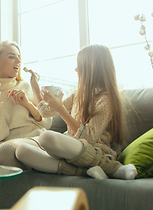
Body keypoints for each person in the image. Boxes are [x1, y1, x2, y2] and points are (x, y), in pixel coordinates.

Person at [15, 44, 137, 180]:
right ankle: (84, 171)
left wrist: (61, 109)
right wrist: (35, 87)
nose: (76, 69)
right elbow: (44, 112)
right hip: (69, 151)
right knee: (22, 151)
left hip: (92, 150)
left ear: (91, 68)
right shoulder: (76, 96)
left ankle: (111, 168)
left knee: (46, 138)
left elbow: (87, 138)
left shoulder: (106, 99)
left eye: (79, 65)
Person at [0, 40, 51, 169]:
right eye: (12, 57)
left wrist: (28, 104)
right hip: (1, 142)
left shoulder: (25, 86)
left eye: (19, 58)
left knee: (7, 151)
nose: (18, 62)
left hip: (33, 138)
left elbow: (47, 123)